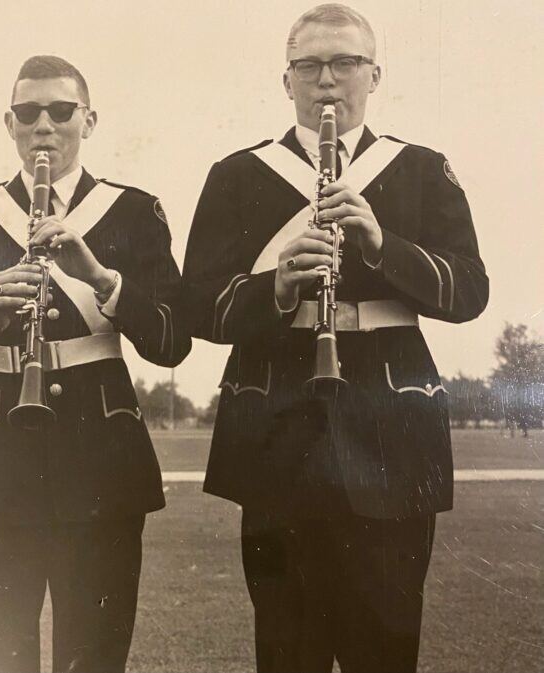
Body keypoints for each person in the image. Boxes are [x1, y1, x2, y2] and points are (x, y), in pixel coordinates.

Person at [182, 4, 488, 672]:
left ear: (374, 74)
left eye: (345, 62)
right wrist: (278, 285)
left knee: (385, 643)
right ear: (286, 80)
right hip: (275, 435)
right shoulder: (237, 174)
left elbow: (471, 290)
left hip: (392, 437)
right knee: (287, 648)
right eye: (310, 65)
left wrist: (382, 245)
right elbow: (195, 308)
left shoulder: (421, 168)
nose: (327, 79)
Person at [0, 55, 190, 673]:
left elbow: (173, 341)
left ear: (88, 120)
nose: (44, 126)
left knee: (95, 654)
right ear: (9, 123)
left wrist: (102, 279)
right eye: (28, 113)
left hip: (103, 459)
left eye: (60, 112)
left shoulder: (134, 210)